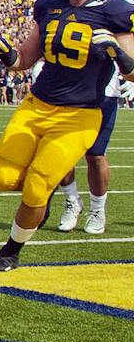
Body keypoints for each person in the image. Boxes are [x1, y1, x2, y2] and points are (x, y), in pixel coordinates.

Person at [0, 0, 133, 270]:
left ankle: (11, 250)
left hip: (80, 115)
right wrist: (9, 56)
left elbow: (133, 71)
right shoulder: (49, 5)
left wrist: (118, 54)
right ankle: (45, 195)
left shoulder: (115, 10)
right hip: (36, 105)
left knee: (36, 188)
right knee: (2, 178)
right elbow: (24, 59)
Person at [52, 51, 122, 235]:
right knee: (61, 153)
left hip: (104, 92)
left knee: (96, 156)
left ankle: (97, 210)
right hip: (68, 90)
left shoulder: (113, 21)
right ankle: (72, 201)